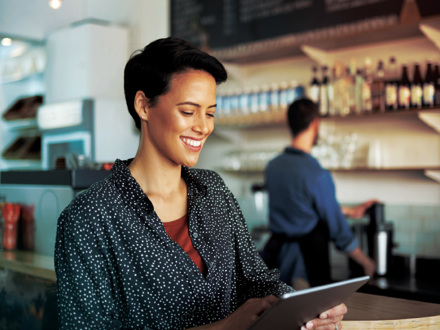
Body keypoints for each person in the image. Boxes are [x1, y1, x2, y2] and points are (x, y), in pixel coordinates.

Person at [55, 37, 347, 330]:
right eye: (188, 111)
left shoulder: (214, 191)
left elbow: (257, 281)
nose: (204, 127)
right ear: (144, 106)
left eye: (210, 113)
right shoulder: (88, 217)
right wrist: (227, 327)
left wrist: (307, 308)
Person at [262, 98, 376, 288]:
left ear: (288, 123)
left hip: (275, 261)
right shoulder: (317, 174)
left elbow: (299, 206)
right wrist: (365, 261)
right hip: (304, 268)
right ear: (316, 124)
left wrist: (347, 210)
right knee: (307, 317)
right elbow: (338, 230)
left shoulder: (273, 167)